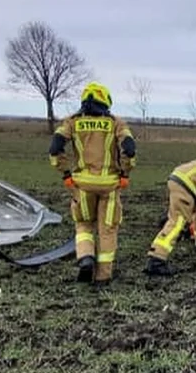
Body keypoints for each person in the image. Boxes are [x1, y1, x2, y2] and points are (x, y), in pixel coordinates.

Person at [48, 82, 136, 286]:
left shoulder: (71, 122)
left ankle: (86, 257)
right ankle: (103, 276)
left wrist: (65, 174)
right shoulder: (116, 123)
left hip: (82, 184)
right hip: (110, 185)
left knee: (84, 224)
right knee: (107, 228)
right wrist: (125, 173)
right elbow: (130, 149)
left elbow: (55, 147)